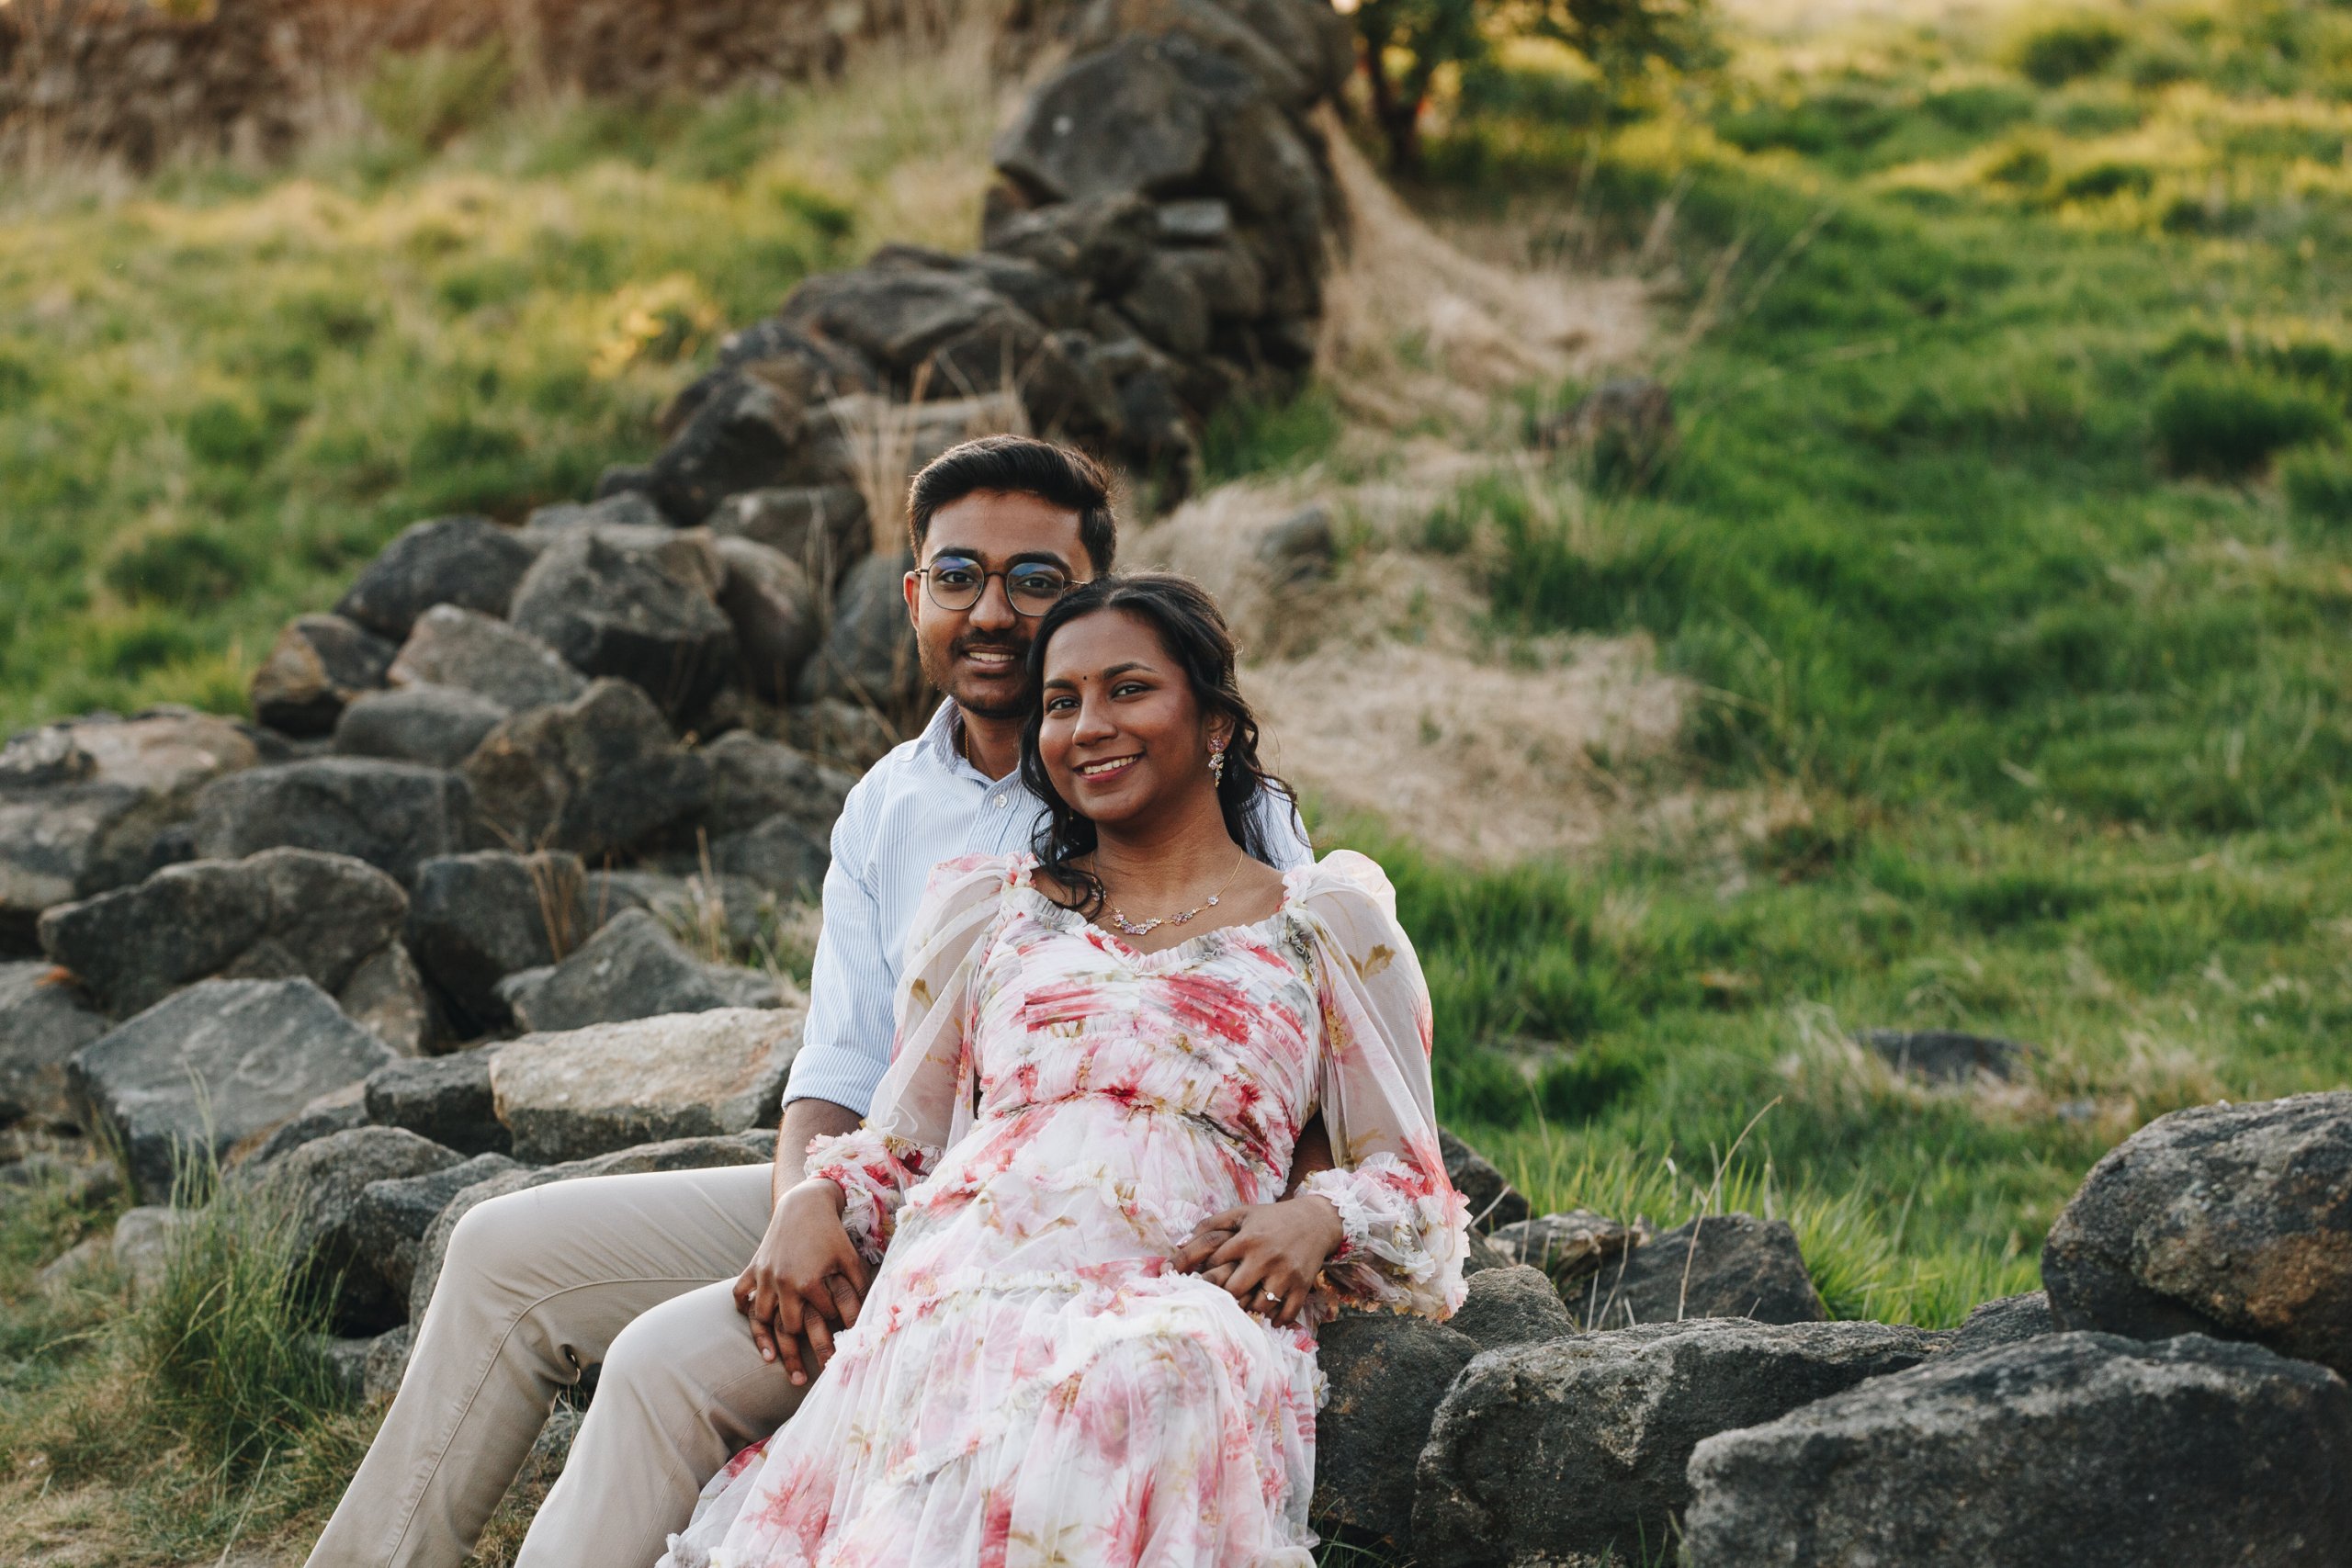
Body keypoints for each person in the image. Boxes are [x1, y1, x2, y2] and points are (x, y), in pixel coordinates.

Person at [306, 438, 1319, 1568]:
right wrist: (803, 1204)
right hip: (881, 1182)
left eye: (1036, 580)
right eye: (957, 576)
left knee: (661, 1363)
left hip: (1055, 1222)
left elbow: (1298, 1036)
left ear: (1098, 599)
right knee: (501, 1249)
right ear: (914, 597)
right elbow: (838, 1063)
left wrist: (1311, 1215)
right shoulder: (889, 802)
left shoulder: (1180, 787)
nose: (992, 611)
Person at [657, 574, 1467, 1568]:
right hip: (967, 1275)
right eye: (1060, 702)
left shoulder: (1324, 926)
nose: (1088, 727)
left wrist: (1317, 1217)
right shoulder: (990, 912)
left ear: (1215, 721)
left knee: (1150, 1371)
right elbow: (907, 1145)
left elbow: (1415, 1187)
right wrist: (813, 1199)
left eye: (1128, 690)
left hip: (1174, 1291)